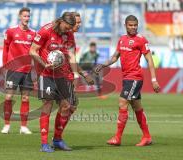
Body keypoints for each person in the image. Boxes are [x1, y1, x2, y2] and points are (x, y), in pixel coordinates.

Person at [94, 15, 160, 146]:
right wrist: (103, 65)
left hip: (134, 77)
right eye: (130, 25)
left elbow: (149, 60)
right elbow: (114, 57)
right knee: (137, 107)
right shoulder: (122, 39)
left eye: (135, 25)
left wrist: (154, 80)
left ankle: (117, 138)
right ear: (125, 25)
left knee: (122, 102)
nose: (133, 27)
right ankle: (147, 137)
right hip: (126, 78)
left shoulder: (141, 40)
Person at [30, 12, 79, 152]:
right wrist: (44, 64)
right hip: (45, 73)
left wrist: (75, 74)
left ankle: (57, 139)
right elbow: (32, 51)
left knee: (66, 106)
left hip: (61, 75)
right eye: (67, 27)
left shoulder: (69, 34)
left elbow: (71, 54)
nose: (69, 30)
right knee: (47, 105)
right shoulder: (46, 30)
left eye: (71, 28)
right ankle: (44, 143)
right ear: (61, 21)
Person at [52, 12, 95, 152]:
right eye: (76, 22)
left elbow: (72, 59)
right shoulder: (57, 33)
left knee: (71, 106)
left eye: (80, 22)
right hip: (57, 75)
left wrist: (81, 74)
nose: (79, 25)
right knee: (68, 106)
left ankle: (56, 138)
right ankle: (56, 139)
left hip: (67, 75)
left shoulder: (70, 37)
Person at [1, 7, 36, 134]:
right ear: (20, 17)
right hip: (13, 69)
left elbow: (36, 50)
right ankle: (6, 124)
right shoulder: (11, 31)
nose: (27, 18)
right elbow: (5, 48)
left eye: (28, 16)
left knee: (25, 98)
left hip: (27, 70)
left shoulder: (33, 34)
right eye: (25, 16)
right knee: (9, 96)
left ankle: (24, 126)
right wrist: (4, 65)